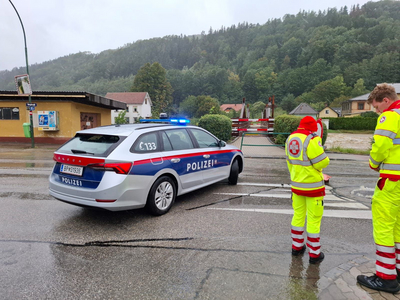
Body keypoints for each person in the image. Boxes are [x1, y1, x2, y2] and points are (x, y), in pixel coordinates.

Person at [357, 83, 400, 293]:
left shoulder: (390, 116)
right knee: (398, 228)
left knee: (383, 227)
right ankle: (397, 270)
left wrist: (373, 163)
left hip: (392, 181)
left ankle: (385, 277)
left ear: (385, 100)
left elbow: (381, 145)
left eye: (376, 106)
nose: (377, 111)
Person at [285, 116, 330, 264]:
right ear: (312, 127)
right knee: (313, 220)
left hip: (296, 186)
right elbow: (322, 162)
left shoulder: (290, 138)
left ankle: (297, 247)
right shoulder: (311, 139)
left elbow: (290, 162)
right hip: (313, 188)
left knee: (298, 215)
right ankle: (314, 254)